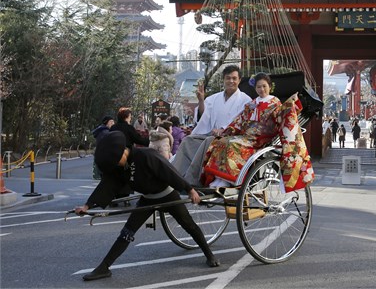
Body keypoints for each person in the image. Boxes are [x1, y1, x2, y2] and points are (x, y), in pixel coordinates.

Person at [74, 131, 220, 281]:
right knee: (127, 232)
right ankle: (104, 267)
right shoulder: (121, 167)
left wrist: (189, 189)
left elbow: (170, 172)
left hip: (167, 194)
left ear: (123, 152)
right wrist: (87, 206)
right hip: (147, 199)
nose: (116, 165)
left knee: (189, 225)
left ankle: (209, 255)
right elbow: (107, 185)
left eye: (117, 161)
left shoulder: (146, 155)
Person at [202, 72, 314, 192]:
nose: (262, 89)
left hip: (260, 139)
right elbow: (240, 120)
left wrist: (291, 103)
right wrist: (224, 130)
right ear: (255, 88)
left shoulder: (274, 102)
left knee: (232, 144)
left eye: (264, 86)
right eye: (258, 87)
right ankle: (220, 178)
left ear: (270, 87)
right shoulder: (252, 103)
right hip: (246, 137)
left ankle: (230, 180)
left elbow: (282, 116)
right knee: (221, 141)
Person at [171, 65, 251, 186]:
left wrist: (223, 129)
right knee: (188, 140)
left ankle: (192, 180)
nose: (231, 81)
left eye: (234, 78)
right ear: (223, 80)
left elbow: (241, 121)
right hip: (211, 134)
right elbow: (204, 116)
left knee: (207, 142)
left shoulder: (246, 100)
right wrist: (201, 100)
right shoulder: (214, 98)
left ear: (239, 80)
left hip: (229, 137)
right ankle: (173, 176)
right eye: (228, 78)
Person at [91, 116, 114, 180]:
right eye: (111, 122)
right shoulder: (105, 132)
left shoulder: (102, 130)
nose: (113, 123)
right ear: (106, 123)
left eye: (113, 121)